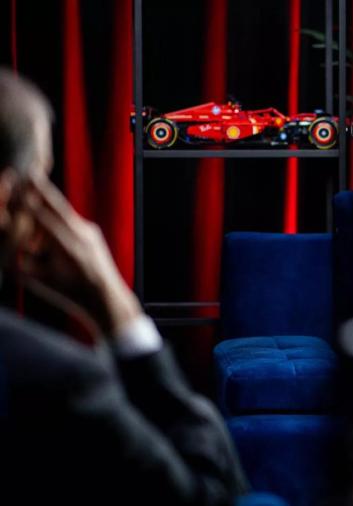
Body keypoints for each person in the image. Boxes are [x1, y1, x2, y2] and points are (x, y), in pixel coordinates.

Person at [0, 69, 247, 504]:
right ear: (7, 196)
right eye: (41, 178)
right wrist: (122, 316)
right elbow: (211, 495)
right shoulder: (63, 381)